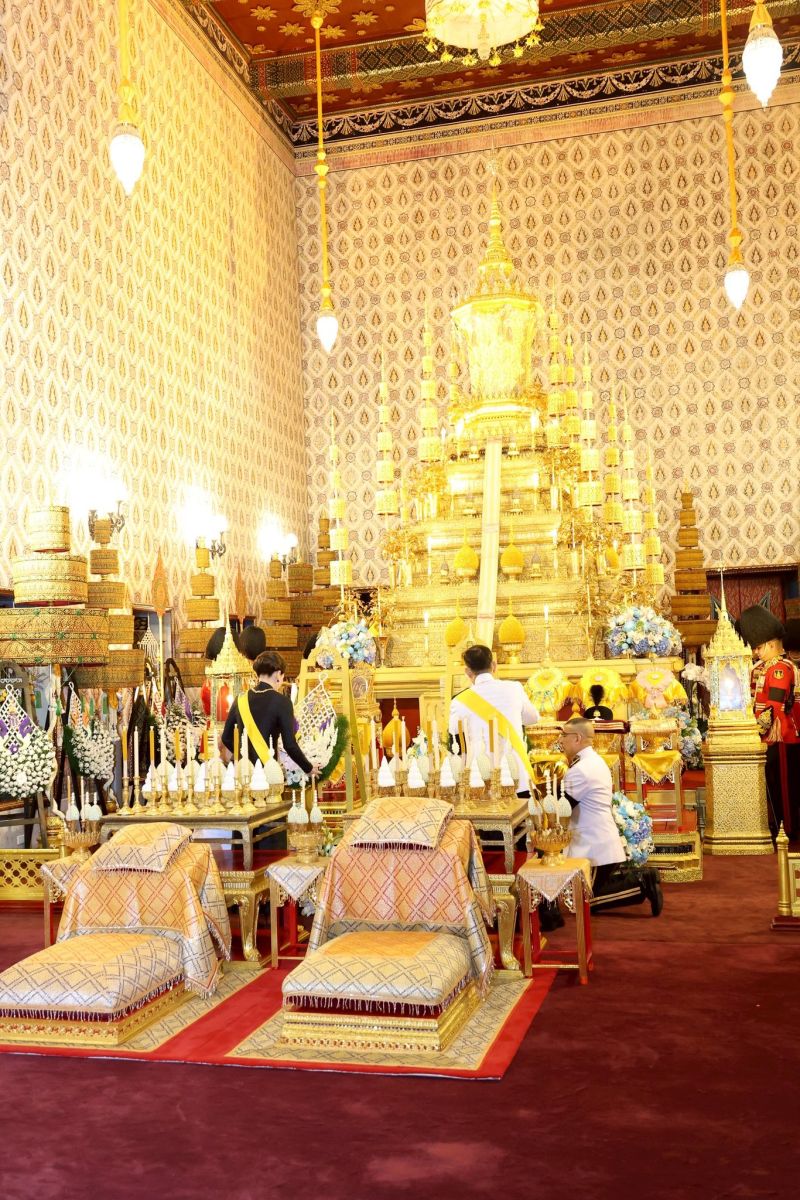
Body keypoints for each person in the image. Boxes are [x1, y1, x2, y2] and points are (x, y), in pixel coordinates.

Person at [561, 716, 663, 916]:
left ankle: (642, 882)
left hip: (593, 847)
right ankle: (641, 879)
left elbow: (563, 808)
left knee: (583, 903)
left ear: (577, 738)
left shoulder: (581, 769)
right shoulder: (593, 761)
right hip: (599, 842)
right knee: (583, 897)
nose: (560, 740)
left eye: (564, 735)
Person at [736, 605, 800, 837]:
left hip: (779, 737)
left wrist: (755, 729)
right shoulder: (767, 667)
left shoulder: (780, 668)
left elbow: (774, 705)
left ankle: (787, 829)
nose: (756, 652)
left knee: (782, 786)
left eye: (759, 647)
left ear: (772, 644)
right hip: (770, 737)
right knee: (773, 786)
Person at [448, 643, 539, 796]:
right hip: (517, 774)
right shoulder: (514, 688)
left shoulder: (460, 701)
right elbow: (533, 718)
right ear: (494, 665)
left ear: (467, 672)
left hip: (481, 778)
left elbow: (454, 730)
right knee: (523, 811)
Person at [220, 650, 319, 778]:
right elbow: (290, 745)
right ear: (278, 674)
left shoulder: (240, 699)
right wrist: (308, 768)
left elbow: (226, 738)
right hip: (268, 772)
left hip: (243, 771)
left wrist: (244, 754)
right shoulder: (282, 702)